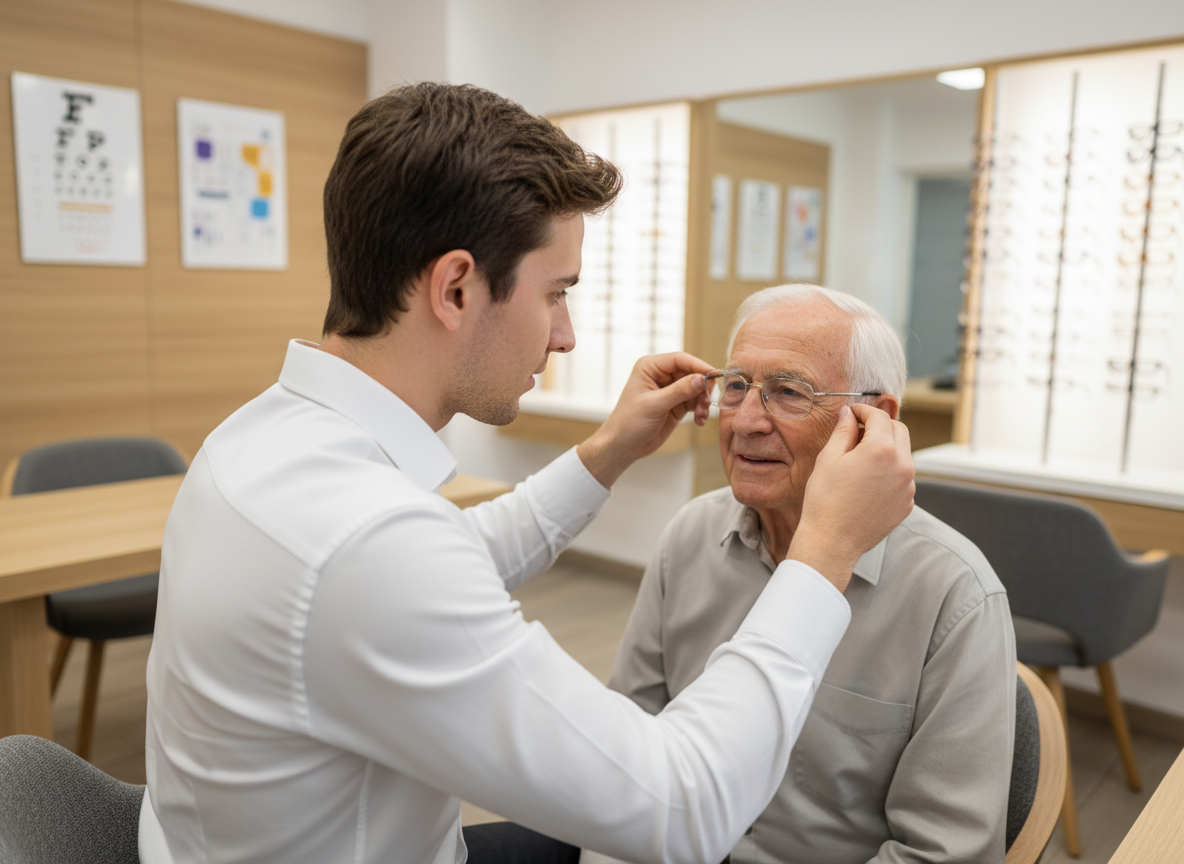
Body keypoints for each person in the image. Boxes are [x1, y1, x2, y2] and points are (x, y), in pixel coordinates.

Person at [138, 84, 915, 864]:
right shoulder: (366, 542)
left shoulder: (260, 439)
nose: (567, 336)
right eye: (557, 294)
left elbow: (440, 556)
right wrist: (823, 556)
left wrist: (608, 450)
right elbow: (683, 808)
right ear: (455, 288)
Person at [590, 284, 1016, 864]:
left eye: (788, 392)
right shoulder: (690, 537)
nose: (745, 421)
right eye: (736, 386)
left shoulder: (954, 595)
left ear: (876, 419)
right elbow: (627, 753)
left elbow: (943, 852)